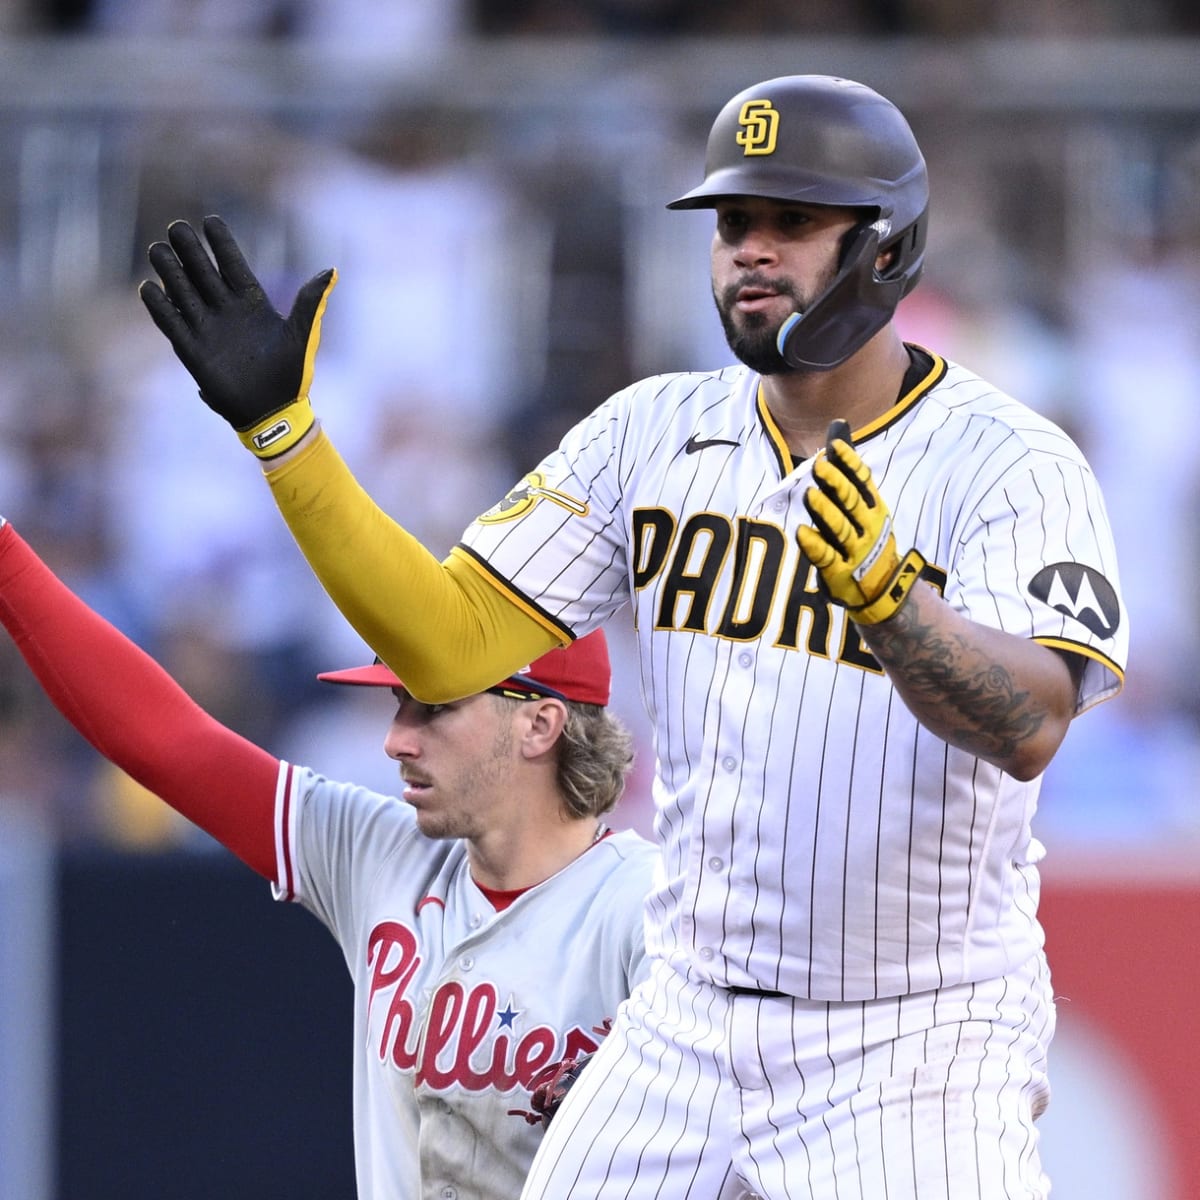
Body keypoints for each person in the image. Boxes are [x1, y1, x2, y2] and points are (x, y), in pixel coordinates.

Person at [138, 74, 1128, 1199]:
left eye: (792, 223)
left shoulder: (1008, 461)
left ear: (889, 249)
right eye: (732, 223)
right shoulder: (652, 431)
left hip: (910, 1039)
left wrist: (900, 609)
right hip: (687, 1015)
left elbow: (1033, 723)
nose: (751, 251)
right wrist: (289, 440)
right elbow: (454, 645)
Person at [0, 514, 655, 1200]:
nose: (397, 740)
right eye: (400, 704)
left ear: (539, 724)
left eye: (432, 708)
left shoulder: (652, 911)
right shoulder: (377, 852)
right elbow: (169, 743)